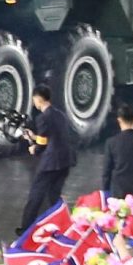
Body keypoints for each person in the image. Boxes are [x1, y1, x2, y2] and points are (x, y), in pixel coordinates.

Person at [19, 84, 76, 232]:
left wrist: (34, 149)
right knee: (54, 196)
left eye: (34, 99)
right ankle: (62, 226)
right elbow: (53, 136)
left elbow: (42, 143)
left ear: (38, 99)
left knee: (35, 195)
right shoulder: (60, 115)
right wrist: (33, 137)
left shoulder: (43, 118)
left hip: (51, 163)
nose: (34, 103)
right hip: (65, 161)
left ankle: (26, 229)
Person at [98, 104, 133, 200]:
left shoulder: (111, 142)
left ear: (119, 120)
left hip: (119, 193)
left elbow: (106, 172)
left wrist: (105, 192)